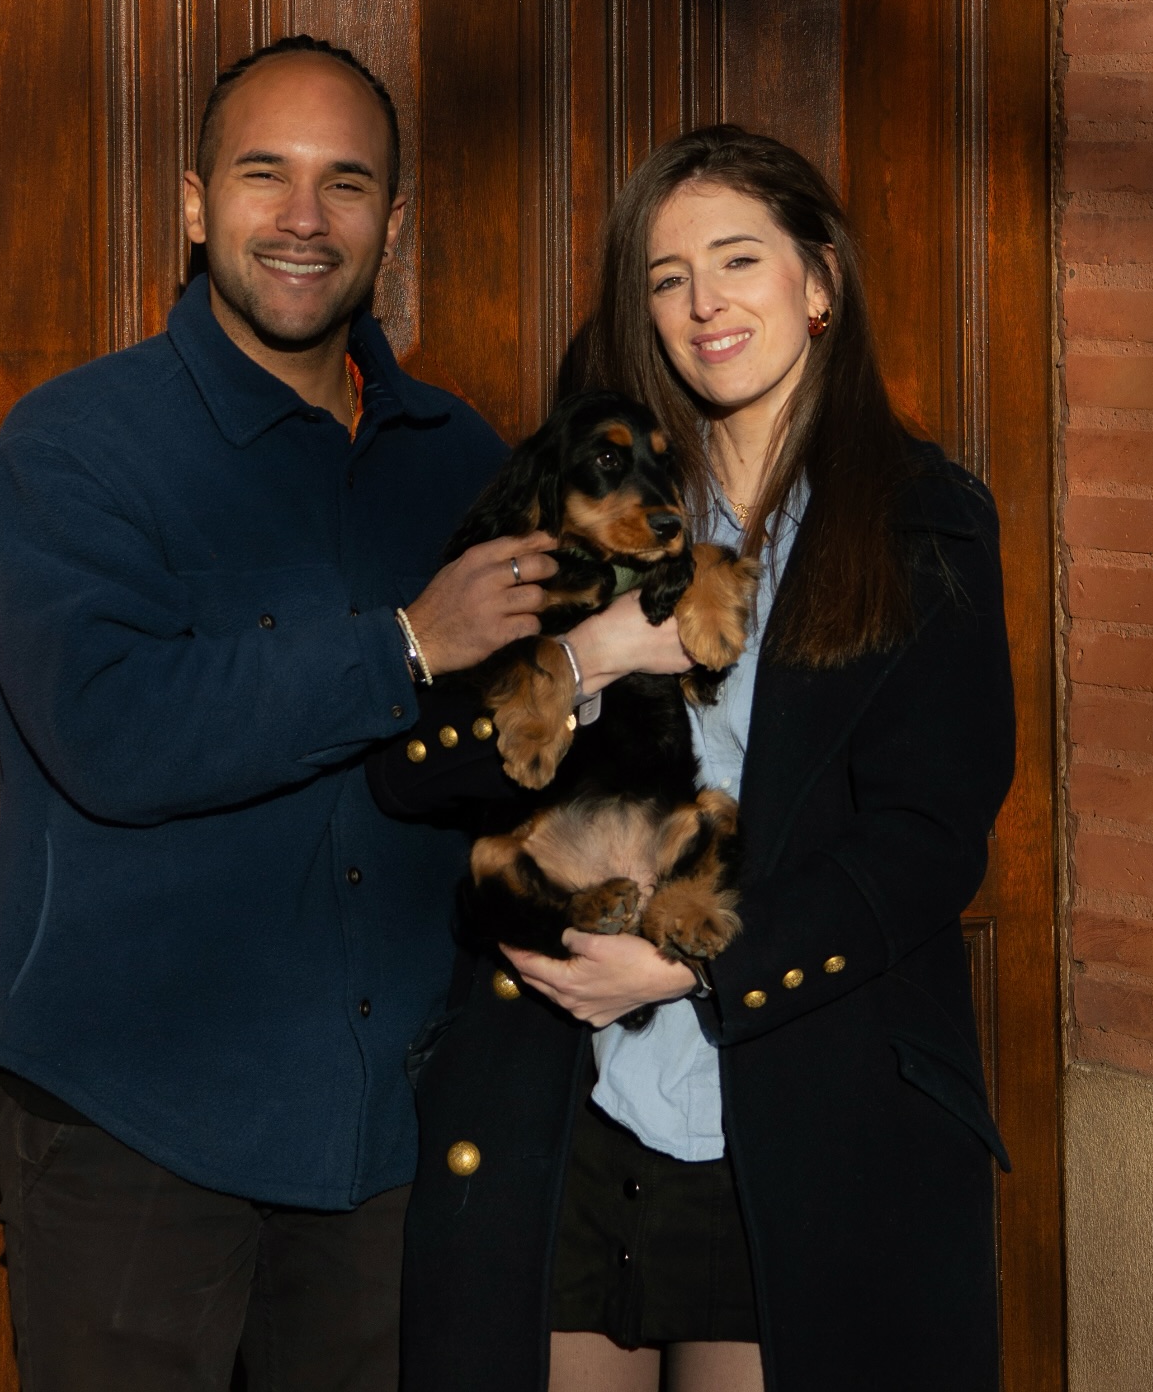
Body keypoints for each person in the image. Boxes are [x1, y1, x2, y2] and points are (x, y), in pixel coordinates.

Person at [370, 126, 1015, 1392]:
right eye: (668, 277)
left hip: (789, 1102)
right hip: (567, 1105)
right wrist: (584, 660)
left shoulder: (922, 520)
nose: (704, 304)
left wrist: (688, 959)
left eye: (737, 260)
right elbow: (416, 771)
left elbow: (928, 841)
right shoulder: (582, 504)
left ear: (819, 283)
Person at [0, 34, 560, 1391]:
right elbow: (117, 732)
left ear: (391, 225)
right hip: (135, 1128)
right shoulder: (73, 448)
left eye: (346, 183)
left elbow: (507, 762)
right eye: (264, 174)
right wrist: (410, 642)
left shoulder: (457, 461)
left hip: (387, 1138)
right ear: (194, 204)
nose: (305, 218)